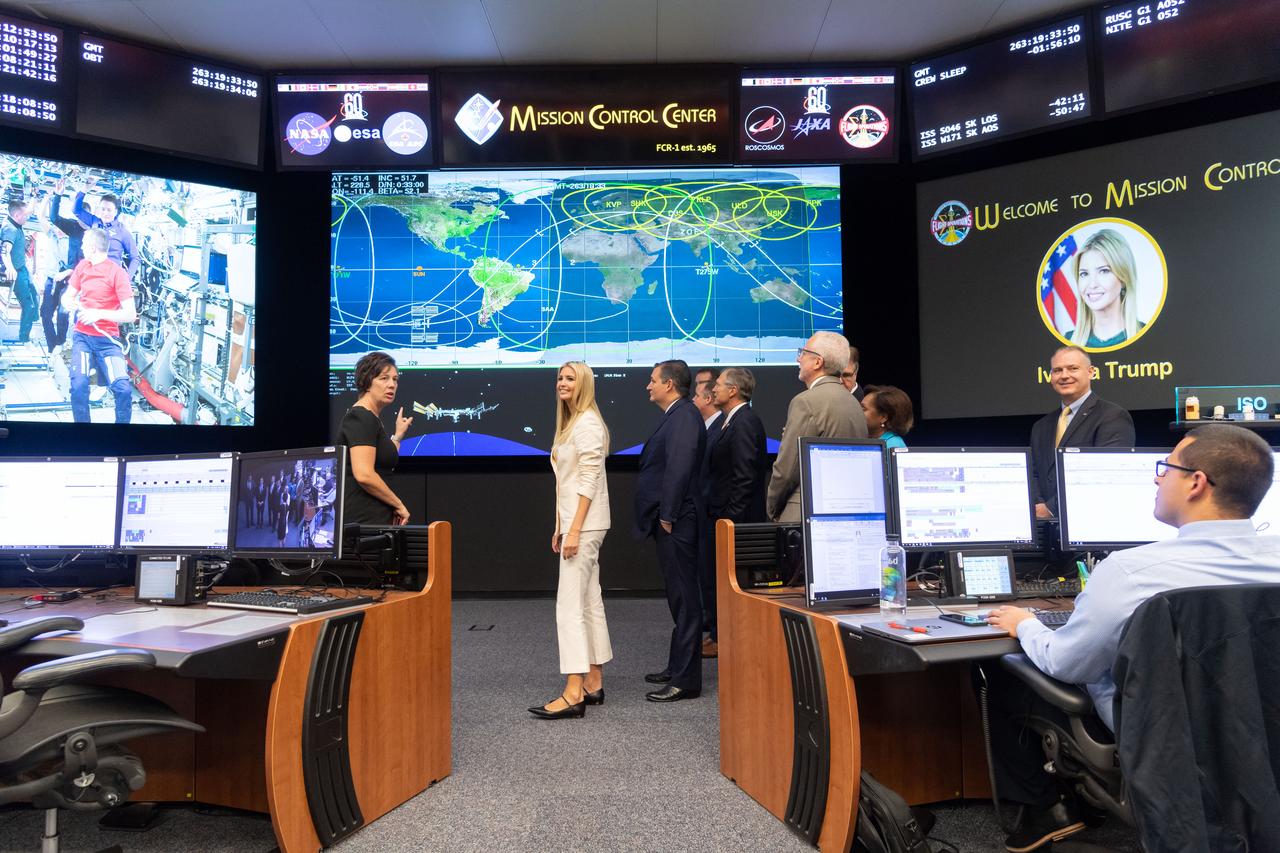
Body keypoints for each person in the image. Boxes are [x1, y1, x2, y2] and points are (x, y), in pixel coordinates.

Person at [984, 424, 1280, 852]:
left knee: (1004, 669)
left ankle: (1049, 808)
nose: (1158, 477)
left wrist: (1024, 623)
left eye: (1166, 468)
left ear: (1196, 482)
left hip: (1171, 744)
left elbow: (1067, 663)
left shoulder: (1130, 572)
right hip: (1264, 736)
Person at [529, 362, 613, 719]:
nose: (562, 383)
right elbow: (568, 482)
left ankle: (573, 691)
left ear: (585, 385)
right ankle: (593, 680)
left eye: (570, 379)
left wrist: (574, 530)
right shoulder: (574, 423)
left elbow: (589, 482)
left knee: (568, 608)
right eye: (560, 378)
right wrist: (560, 526)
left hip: (587, 526)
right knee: (589, 601)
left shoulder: (588, 424)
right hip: (579, 524)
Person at [634, 359, 706, 703]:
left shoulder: (684, 416)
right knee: (678, 597)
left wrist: (668, 514)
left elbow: (679, 465)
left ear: (669, 384)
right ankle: (676, 666)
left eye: (652, 380)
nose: (648, 386)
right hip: (672, 520)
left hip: (677, 521)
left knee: (686, 599)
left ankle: (686, 680)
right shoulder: (677, 416)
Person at [702, 367, 770, 655]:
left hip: (736, 523)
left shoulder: (744, 422)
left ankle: (729, 641)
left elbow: (745, 477)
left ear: (733, 391)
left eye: (717, 385)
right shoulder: (731, 420)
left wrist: (729, 519)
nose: (712, 390)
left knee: (736, 583)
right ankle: (721, 636)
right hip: (726, 517)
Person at [767, 331, 867, 522]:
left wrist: (772, 509)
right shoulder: (854, 401)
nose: (798, 358)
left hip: (806, 515)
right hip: (846, 511)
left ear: (817, 362)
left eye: (803, 353)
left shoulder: (806, 402)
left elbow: (787, 470)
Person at [1030, 346, 1135, 517]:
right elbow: (1033, 474)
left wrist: (1051, 509)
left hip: (1091, 521)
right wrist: (1038, 507)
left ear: (1091, 372)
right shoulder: (1041, 426)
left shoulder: (1112, 417)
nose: (1064, 375)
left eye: (1073, 368)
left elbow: (1108, 475)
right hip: (1045, 529)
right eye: (1057, 370)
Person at [62, 228, 136, 423]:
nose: (82, 247)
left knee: (123, 389)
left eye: (84, 244)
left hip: (107, 340)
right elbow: (67, 296)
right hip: (82, 337)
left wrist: (98, 314)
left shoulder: (117, 273)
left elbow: (130, 314)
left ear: (92, 248)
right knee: (78, 385)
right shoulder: (82, 267)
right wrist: (67, 302)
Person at [338, 351, 414, 525]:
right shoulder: (360, 417)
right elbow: (364, 474)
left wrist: (397, 436)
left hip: (375, 522)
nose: (392, 385)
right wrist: (399, 504)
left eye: (395, 380)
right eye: (384, 378)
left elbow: (384, 460)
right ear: (367, 383)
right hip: (364, 524)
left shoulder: (371, 419)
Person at [1068, 229, 1144, 349]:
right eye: (1084, 274)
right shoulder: (1067, 342)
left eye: (1104, 271)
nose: (1092, 285)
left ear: (1124, 278)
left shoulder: (1148, 335)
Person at [693, 367, 723, 658]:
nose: (693, 399)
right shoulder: (708, 428)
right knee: (705, 577)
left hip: (711, 513)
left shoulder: (719, 428)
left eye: (697, 394)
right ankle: (713, 631)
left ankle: (718, 635)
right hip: (703, 513)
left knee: (713, 578)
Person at [72, 181, 140, 280]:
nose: (105, 213)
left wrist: (126, 279)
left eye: (109, 210)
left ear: (115, 211)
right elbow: (76, 210)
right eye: (103, 209)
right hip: (91, 277)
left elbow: (135, 257)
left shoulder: (122, 231)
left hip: (111, 280)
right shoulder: (94, 222)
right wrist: (84, 190)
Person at [1, 200, 38, 349]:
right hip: (16, 272)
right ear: (16, 215)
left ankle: (32, 321)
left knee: (35, 295)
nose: (27, 218)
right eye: (25, 216)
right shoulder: (10, 229)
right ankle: (25, 338)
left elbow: (27, 210)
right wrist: (10, 268)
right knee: (28, 305)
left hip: (23, 268)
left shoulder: (16, 222)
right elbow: (5, 251)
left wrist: (35, 198)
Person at [862, 385, 914, 450]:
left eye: (863, 409)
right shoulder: (877, 442)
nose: (858, 412)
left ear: (883, 417)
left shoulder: (892, 446)